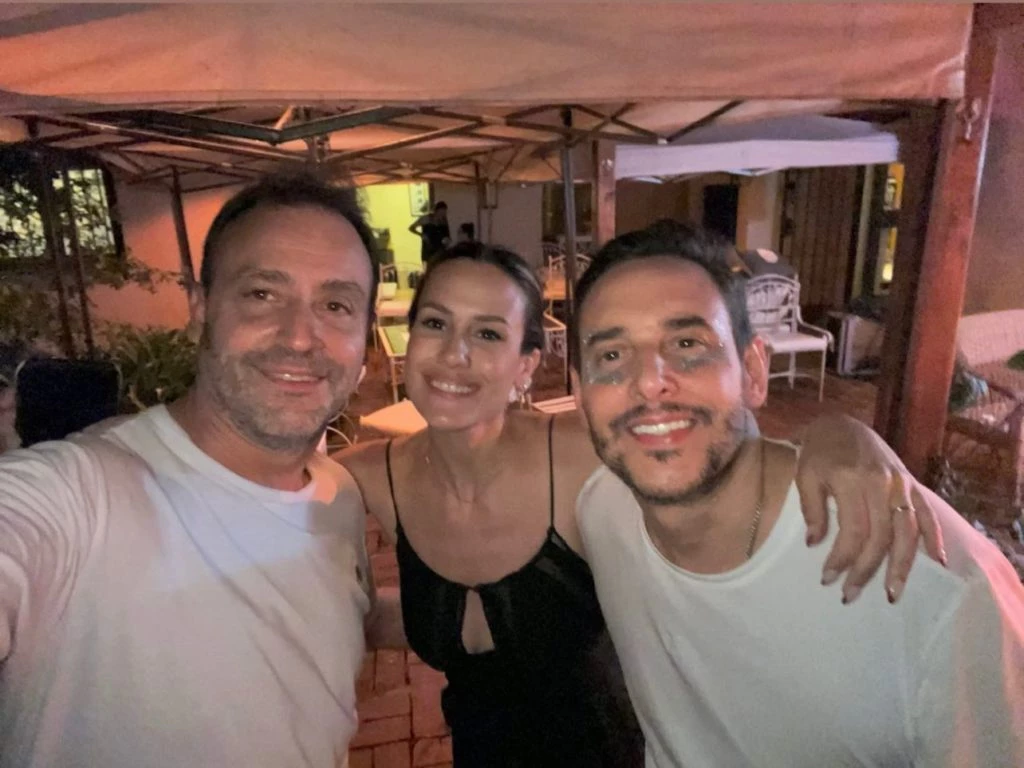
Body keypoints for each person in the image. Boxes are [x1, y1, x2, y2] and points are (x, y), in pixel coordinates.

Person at [338, 241, 948, 767]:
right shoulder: (367, 478)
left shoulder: (584, 455)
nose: (454, 354)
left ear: (526, 366)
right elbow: (389, 608)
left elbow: (720, 448)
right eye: (436, 324)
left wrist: (842, 433)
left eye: (488, 333)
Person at [571, 220, 1024, 768]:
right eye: (611, 356)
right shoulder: (602, 510)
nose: (649, 381)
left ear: (753, 373)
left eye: (688, 344)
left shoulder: (937, 589)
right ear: (580, 393)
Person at [0, 174, 403, 767]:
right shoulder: (81, 493)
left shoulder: (335, 493)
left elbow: (331, 612)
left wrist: (484, 606)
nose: (300, 337)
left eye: (336, 305)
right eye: (262, 294)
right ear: (201, 310)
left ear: (362, 338)